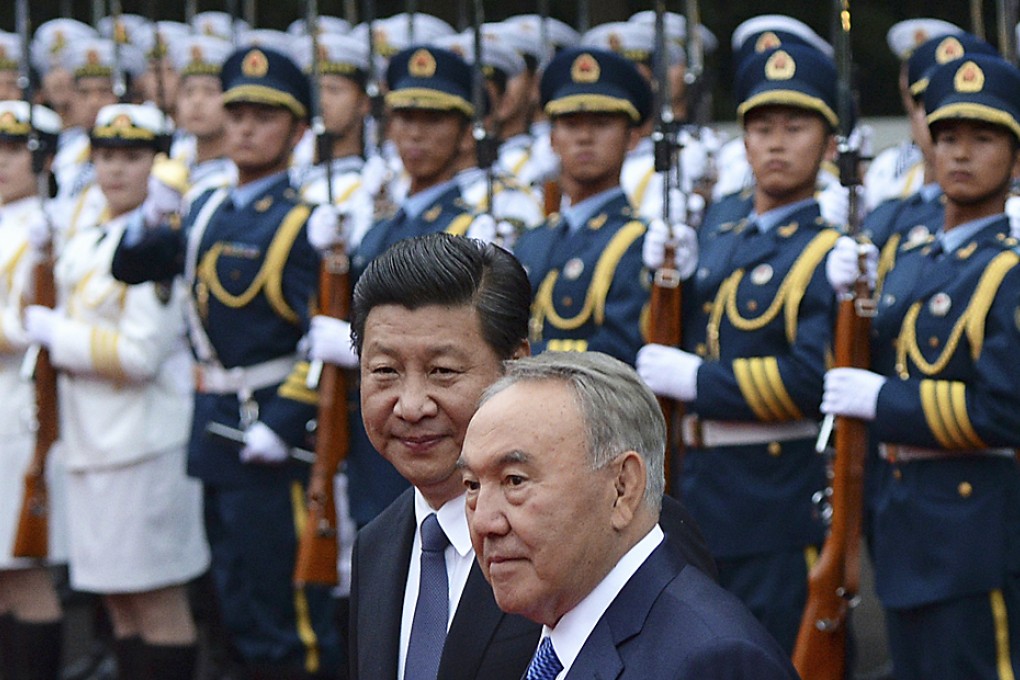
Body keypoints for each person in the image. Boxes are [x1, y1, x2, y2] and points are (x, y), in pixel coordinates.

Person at [340, 232, 716, 680]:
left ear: (515, 365)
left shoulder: (617, 528)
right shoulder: (378, 545)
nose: (412, 405)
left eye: (442, 371)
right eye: (385, 372)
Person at [110, 46, 342, 678]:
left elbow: (322, 337)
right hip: (213, 425)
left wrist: (286, 421)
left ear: (297, 131)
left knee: (288, 617)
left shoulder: (302, 223)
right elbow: (131, 266)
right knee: (233, 606)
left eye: (264, 116)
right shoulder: (210, 203)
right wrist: (148, 215)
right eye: (236, 111)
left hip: (269, 432)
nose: (243, 126)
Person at [636, 42, 845, 653]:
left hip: (771, 493)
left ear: (829, 143)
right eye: (760, 127)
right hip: (696, 489)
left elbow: (811, 379)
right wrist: (665, 281)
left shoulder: (832, 248)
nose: (776, 143)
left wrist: (699, 381)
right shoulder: (717, 230)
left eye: (795, 127)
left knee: (777, 653)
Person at [822, 53, 1020, 680]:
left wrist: (883, 400)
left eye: (983, 139)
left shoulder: (1010, 272)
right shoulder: (907, 256)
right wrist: (844, 304)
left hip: (973, 535)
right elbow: (857, 366)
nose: (960, 154)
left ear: (1015, 158)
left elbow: (1003, 411)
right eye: (948, 137)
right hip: (900, 523)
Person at [460, 351, 798, 679]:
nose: (483, 522)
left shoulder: (712, 661)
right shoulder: (550, 636)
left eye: (515, 481)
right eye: (472, 485)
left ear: (622, 488)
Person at [21, 102, 208, 679]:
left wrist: (60, 335)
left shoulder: (153, 241)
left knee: (155, 603)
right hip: (90, 441)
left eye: (132, 158)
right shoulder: (89, 233)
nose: (116, 171)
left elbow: (138, 356)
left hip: (142, 445)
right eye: (105, 156)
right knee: (119, 605)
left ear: (159, 166)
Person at [511, 46, 652, 366]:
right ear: (552, 138)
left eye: (601, 123)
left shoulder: (638, 241)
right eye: (571, 124)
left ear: (631, 139)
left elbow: (620, 352)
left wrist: (518, 359)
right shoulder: (533, 239)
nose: (585, 137)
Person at [0, 100, 69, 680]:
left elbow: (25, 323)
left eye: (15, 149)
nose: (2, 161)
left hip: (16, 411)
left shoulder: (48, 223)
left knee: (20, 568)